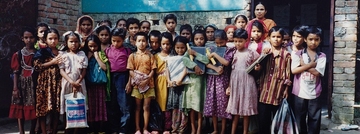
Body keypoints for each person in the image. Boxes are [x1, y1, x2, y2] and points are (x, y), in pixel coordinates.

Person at [291, 26, 326, 134]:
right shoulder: (299, 54)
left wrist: (304, 65)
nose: (313, 42)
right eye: (310, 39)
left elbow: (318, 73)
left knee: (314, 119)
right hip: (299, 92)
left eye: (316, 39)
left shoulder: (321, 56)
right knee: (299, 118)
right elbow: (294, 70)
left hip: (315, 93)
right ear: (305, 39)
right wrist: (310, 65)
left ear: (320, 40)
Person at [257, 26, 291, 134]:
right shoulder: (265, 52)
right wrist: (258, 66)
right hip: (264, 91)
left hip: (278, 91)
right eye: (273, 37)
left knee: (277, 121)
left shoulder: (286, 55)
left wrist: (286, 90)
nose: (276, 39)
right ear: (268, 38)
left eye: (278, 37)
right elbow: (258, 70)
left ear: (282, 39)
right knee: (263, 120)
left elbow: (287, 74)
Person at [226, 29, 260, 134]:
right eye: (235, 41)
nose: (237, 43)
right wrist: (229, 86)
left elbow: (259, 64)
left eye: (240, 41)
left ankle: (245, 132)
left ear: (246, 40)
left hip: (248, 82)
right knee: (235, 111)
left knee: (246, 110)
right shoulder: (232, 52)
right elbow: (228, 70)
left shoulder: (251, 52)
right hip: (235, 82)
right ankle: (233, 131)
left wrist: (257, 68)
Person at [204, 30, 234, 134]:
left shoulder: (229, 50)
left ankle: (223, 130)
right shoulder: (211, 49)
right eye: (217, 43)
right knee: (212, 105)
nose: (219, 45)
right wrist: (215, 68)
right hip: (212, 80)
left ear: (226, 40)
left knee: (223, 106)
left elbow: (226, 62)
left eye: (221, 42)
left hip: (223, 81)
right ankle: (215, 129)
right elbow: (205, 63)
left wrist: (215, 55)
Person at [127, 32, 157, 134]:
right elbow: (130, 70)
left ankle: (145, 128)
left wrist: (147, 80)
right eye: (139, 41)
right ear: (135, 42)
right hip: (137, 85)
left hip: (149, 85)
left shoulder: (150, 55)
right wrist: (137, 80)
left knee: (147, 107)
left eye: (144, 41)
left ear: (147, 42)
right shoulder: (132, 56)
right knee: (137, 107)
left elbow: (153, 69)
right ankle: (137, 128)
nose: (141, 43)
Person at [33, 28, 62, 134]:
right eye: (50, 38)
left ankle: (54, 131)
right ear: (45, 39)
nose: (53, 41)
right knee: (43, 109)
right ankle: (44, 131)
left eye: (55, 38)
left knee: (56, 109)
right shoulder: (42, 52)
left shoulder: (61, 52)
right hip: (44, 84)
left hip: (57, 83)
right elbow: (37, 67)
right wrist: (52, 62)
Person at [9, 27, 37, 134]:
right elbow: (15, 72)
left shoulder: (38, 54)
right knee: (19, 106)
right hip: (21, 84)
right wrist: (15, 88)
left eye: (31, 37)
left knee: (34, 106)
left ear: (35, 39)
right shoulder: (18, 55)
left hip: (34, 84)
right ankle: (21, 131)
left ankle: (32, 130)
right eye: (26, 38)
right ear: (22, 39)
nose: (29, 40)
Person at [59, 31, 88, 133]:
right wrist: (71, 82)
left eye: (76, 41)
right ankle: (67, 128)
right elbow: (62, 70)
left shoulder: (82, 54)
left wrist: (78, 82)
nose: (74, 44)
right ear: (66, 42)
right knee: (69, 105)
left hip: (79, 84)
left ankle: (77, 129)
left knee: (78, 106)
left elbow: (84, 70)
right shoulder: (63, 54)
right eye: (71, 41)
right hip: (67, 83)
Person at [104, 28, 131, 134]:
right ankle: (114, 128)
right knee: (112, 104)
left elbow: (130, 69)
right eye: (113, 40)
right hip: (111, 78)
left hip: (123, 78)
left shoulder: (127, 51)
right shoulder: (107, 50)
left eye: (118, 41)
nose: (115, 43)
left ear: (124, 39)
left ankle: (123, 128)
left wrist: (129, 82)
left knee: (124, 104)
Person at [182, 36, 210, 134]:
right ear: (193, 40)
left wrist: (195, 54)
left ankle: (199, 128)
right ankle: (193, 128)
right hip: (191, 82)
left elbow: (207, 61)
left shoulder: (207, 50)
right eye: (196, 39)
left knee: (200, 105)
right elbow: (184, 60)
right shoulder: (189, 49)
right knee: (191, 106)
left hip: (201, 82)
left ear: (205, 40)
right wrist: (194, 66)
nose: (199, 41)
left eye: (201, 38)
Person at [82, 35, 108, 134]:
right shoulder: (84, 55)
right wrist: (87, 58)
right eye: (90, 46)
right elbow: (82, 68)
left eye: (95, 46)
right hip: (89, 85)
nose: (93, 48)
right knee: (90, 106)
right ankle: (91, 127)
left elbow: (105, 68)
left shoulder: (101, 54)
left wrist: (97, 57)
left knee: (100, 106)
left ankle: (99, 127)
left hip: (99, 85)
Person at [166, 36, 190, 134]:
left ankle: (182, 128)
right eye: (177, 48)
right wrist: (169, 80)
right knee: (175, 107)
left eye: (182, 48)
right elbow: (167, 69)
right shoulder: (171, 58)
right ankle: (174, 127)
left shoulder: (188, 57)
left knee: (183, 107)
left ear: (186, 47)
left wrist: (180, 79)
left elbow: (187, 68)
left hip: (184, 85)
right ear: (174, 47)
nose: (180, 50)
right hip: (173, 85)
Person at [154, 32, 173, 133]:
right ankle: (157, 127)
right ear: (160, 44)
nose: (166, 46)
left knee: (168, 105)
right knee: (159, 104)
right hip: (159, 83)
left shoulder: (173, 56)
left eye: (168, 44)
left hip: (170, 83)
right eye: (163, 44)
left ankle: (167, 128)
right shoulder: (156, 56)